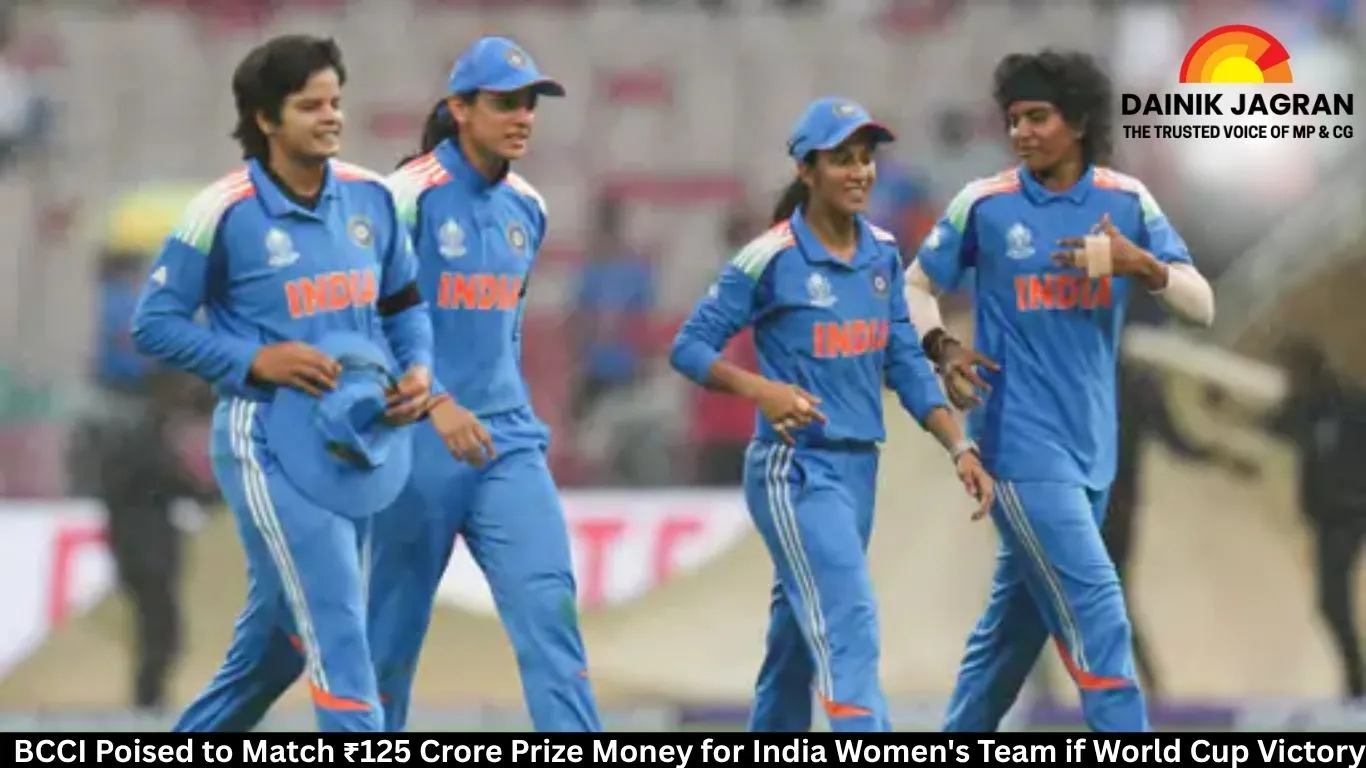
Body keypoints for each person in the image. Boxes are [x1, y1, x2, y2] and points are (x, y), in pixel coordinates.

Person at [130, 34, 443, 732]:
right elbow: (155, 324)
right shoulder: (223, 211)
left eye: (335, 102)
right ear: (266, 118)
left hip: (360, 445)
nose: (332, 117)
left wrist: (419, 368)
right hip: (268, 439)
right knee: (339, 626)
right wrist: (254, 361)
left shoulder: (371, 198)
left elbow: (405, 307)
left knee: (278, 651)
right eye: (310, 106)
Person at [902, 49, 1216, 732]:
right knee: (1099, 610)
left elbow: (1202, 306)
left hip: (1093, 448)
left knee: (1009, 641)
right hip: (1017, 444)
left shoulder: (1126, 202)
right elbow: (915, 286)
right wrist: (943, 347)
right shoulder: (985, 205)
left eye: (1037, 117)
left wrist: (1144, 265)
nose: (1021, 132)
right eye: (1014, 119)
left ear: (1077, 121)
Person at [670, 96, 994, 733]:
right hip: (795, 470)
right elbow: (689, 347)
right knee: (848, 622)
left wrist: (959, 445)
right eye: (842, 159)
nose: (860, 172)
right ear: (806, 170)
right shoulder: (770, 257)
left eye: (866, 159)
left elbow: (904, 361)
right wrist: (762, 390)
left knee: (793, 647)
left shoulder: (881, 254)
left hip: (858, 471)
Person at [368, 36, 602, 732]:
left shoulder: (528, 207)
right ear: (460, 108)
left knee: (551, 618)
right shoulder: (403, 198)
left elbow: (505, 333)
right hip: (415, 448)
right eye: (505, 103)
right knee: (386, 650)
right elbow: (360, 325)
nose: (523, 116)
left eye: (530, 103)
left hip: (506, 445)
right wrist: (435, 402)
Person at [1264, 336, 1366, 701]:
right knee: (1329, 603)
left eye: (1292, 375)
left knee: (1332, 600)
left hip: (1350, 514)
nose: (1289, 383)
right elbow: (1273, 425)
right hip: (1326, 517)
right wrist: (1223, 406)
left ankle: (1357, 686)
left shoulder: (1350, 405)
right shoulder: (1303, 407)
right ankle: (1356, 683)